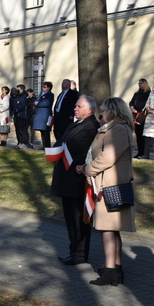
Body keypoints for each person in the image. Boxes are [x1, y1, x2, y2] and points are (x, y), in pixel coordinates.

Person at [82, 97, 137, 286]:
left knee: (108, 229)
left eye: (104, 110)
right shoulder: (114, 128)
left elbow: (108, 157)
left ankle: (111, 271)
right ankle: (114, 268)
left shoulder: (118, 129)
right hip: (107, 183)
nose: (101, 114)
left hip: (111, 185)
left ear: (113, 111)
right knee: (111, 230)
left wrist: (88, 169)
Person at [51, 95, 100, 266]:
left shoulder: (92, 126)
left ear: (90, 110)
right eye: (76, 106)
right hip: (66, 178)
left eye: (79, 106)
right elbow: (62, 140)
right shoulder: (76, 123)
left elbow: (79, 148)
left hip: (76, 180)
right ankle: (74, 251)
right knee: (70, 218)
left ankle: (79, 254)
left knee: (79, 219)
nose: (75, 108)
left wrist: (61, 150)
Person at [53, 79, 80, 146]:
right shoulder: (60, 94)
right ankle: (59, 144)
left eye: (64, 83)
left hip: (66, 117)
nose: (62, 84)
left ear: (69, 84)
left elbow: (73, 104)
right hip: (58, 117)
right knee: (56, 131)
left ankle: (63, 146)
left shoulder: (72, 93)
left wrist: (71, 114)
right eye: (62, 82)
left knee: (64, 131)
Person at [129, 79, 151, 158]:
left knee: (142, 135)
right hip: (135, 115)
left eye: (141, 83)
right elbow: (131, 102)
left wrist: (140, 109)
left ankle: (144, 152)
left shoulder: (148, 93)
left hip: (142, 115)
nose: (139, 85)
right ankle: (139, 151)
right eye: (139, 83)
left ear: (145, 83)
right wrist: (132, 107)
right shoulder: (137, 93)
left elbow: (147, 103)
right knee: (138, 134)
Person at [33, 81, 54, 148]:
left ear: (49, 88)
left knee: (46, 131)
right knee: (42, 131)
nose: (43, 88)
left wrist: (38, 103)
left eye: (44, 87)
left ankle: (47, 145)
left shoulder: (50, 95)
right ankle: (44, 145)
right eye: (43, 86)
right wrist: (36, 103)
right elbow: (35, 101)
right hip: (40, 115)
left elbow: (46, 103)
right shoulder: (41, 94)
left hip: (45, 115)